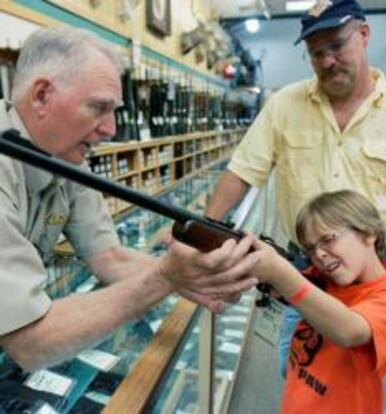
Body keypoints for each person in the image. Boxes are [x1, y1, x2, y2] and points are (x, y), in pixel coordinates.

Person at [0, 27, 259, 371]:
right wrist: (166, 276)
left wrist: (194, 276)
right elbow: (31, 342)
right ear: (42, 95)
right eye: (98, 108)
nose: (110, 129)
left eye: (114, 110)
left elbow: (108, 256)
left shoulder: (62, 153)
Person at [206, 0, 386, 377]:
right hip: (306, 269)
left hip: (380, 270)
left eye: (336, 46)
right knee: (301, 372)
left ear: (364, 35)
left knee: (361, 376)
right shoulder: (284, 105)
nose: (327, 61)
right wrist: (203, 231)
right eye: (316, 53)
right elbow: (241, 172)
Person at [249, 189, 386, 413]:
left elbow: (348, 331)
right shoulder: (328, 277)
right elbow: (304, 288)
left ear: (369, 232)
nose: (320, 255)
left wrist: (280, 274)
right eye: (310, 250)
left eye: (328, 239)